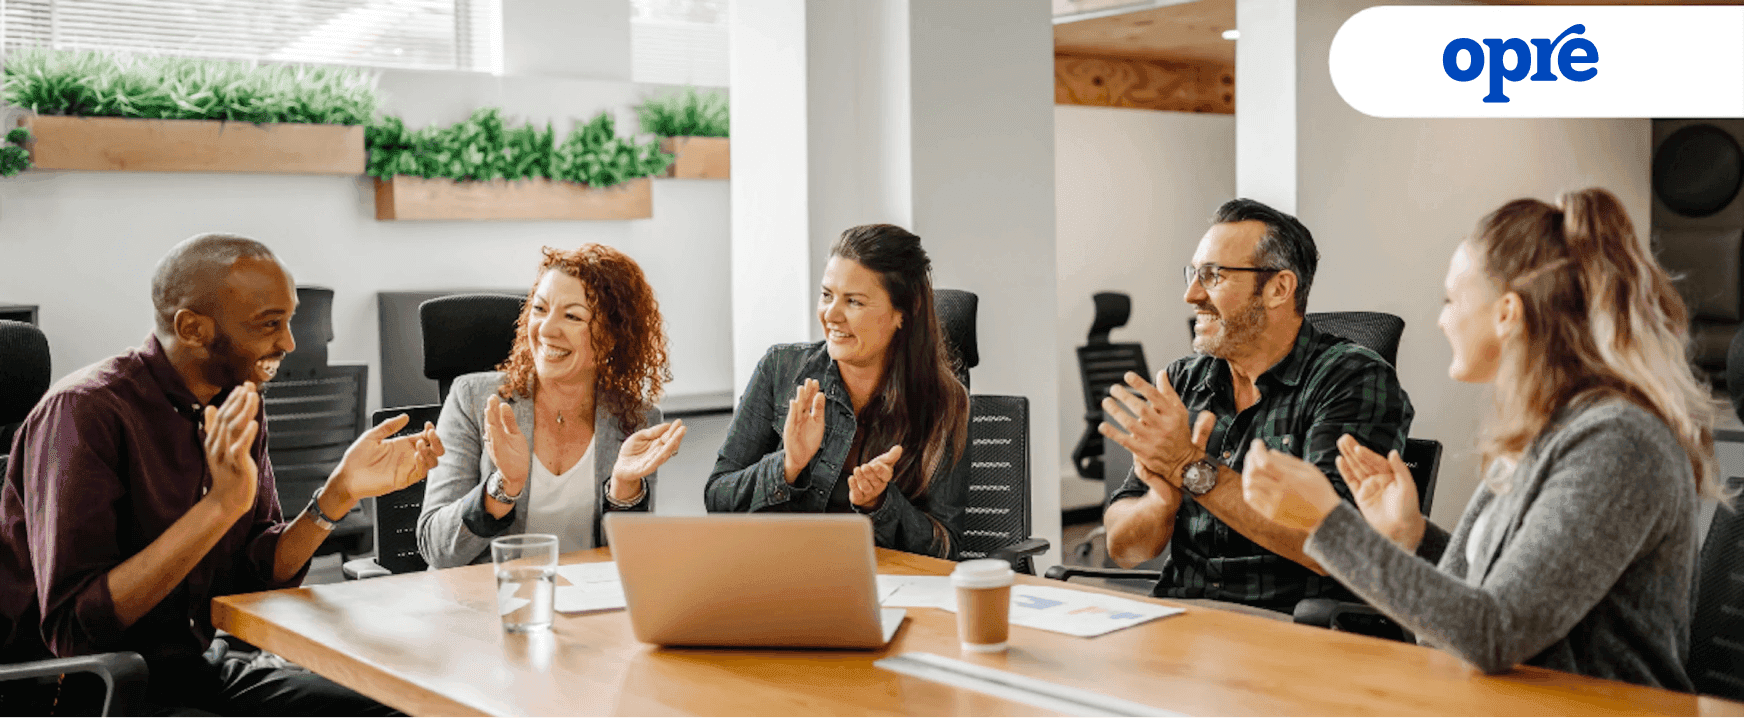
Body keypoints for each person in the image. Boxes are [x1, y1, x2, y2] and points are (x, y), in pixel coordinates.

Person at [1241, 188, 1722, 690]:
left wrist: (1326, 522)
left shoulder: (1617, 444)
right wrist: (1412, 537)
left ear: (1508, 313)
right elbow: (1486, 604)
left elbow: (1496, 632)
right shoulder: (1543, 431)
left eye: (1451, 299)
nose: (1441, 319)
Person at [0, 233, 442, 716]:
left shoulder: (235, 398)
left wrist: (338, 493)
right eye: (270, 324)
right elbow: (76, 632)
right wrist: (219, 507)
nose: (289, 343)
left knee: (404, 706)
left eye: (289, 320)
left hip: (196, 669)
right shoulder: (83, 413)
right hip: (89, 692)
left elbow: (259, 571)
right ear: (192, 327)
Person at [1100, 199, 1414, 615]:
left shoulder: (1352, 379)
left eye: (1212, 276)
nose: (1191, 294)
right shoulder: (1183, 382)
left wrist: (1189, 468)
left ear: (1278, 288)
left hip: (1294, 630)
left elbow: (1335, 548)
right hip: (1183, 621)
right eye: (1193, 274)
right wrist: (1159, 504)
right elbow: (1123, 550)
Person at [706, 224, 967, 558]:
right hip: (780, 574)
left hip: (881, 586)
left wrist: (880, 504)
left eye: (854, 301)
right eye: (827, 295)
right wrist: (788, 464)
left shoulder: (945, 404)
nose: (831, 315)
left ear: (905, 312)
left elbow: (947, 548)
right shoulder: (780, 369)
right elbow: (717, 498)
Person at [418, 244, 684, 567]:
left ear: (611, 338)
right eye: (540, 309)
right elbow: (436, 548)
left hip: (586, 606)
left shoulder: (636, 419)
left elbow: (631, 562)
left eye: (572, 316)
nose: (546, 329)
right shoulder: (472, 399)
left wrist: (624, 490)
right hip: (490, 602)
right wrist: (503, 488)